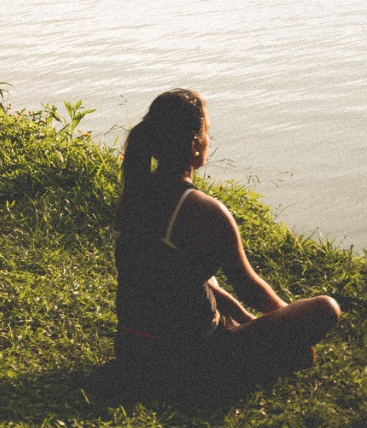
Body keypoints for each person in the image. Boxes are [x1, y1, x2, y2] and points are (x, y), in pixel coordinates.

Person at [114, 89, 340, 402]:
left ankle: (254, 344)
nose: (209, 140)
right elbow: (251, 288)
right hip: (187, 363)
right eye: (207, 133)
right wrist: (286, 326)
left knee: (199, 271)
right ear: (194, 145)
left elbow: (182, 280)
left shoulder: (134, 196)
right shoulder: (205, 211)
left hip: (132, 352)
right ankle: (261, 359)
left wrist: (250, 323)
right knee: (325, 309)